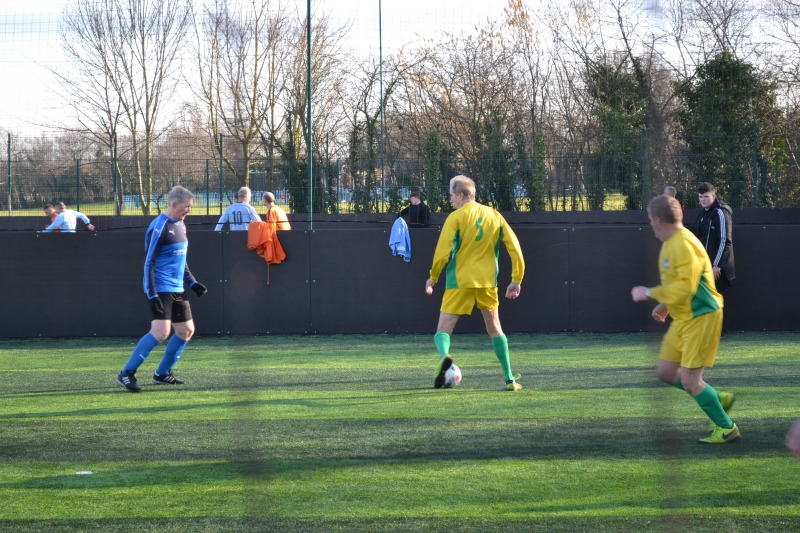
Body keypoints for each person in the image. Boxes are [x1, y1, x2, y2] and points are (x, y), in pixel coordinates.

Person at [631, 194, 738, 444]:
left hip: (702, 316)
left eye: (650, 220)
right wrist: (665, 305)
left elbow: (686, 288)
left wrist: (648, 293)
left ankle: (727, 428)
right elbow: (679, 283)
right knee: (666, 372)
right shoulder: (671, 242)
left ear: (658, 220)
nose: (650, 225)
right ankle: (715, 398)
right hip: (684, 317)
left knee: (691, 381)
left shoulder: (683, 244)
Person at [425, 175, 525, 391]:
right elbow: (514, 247)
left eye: (452, 195)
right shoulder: (494, 215)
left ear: (461, 195)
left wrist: (433, 278)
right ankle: (509, 379)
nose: (451, 200)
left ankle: (444, 357)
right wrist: (516, 279)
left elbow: (442, 252)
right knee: (495, 328)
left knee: (443, 329)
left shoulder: (456, 217)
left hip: (459, 282)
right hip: (487, 283)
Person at [116, 185, 207, 393]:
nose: (189, 211)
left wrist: (192, 282)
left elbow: (181, 259)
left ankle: (162, 374)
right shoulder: (160, 226)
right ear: (174, 204)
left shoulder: (181, 225)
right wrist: (152, 294)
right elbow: (149, 262)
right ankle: (126, 373)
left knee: (186, 331)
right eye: (187, 207)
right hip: (161, 288)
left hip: (178, 288)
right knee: (161, 332)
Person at [696, 182, 734, 292]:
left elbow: (725, 241)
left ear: (714, 196)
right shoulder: (702, 213)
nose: (703, 199)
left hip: (716, 269)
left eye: (706, 196)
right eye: (700, 197)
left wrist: (717, 265)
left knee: (713, 298)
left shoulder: (720, 212)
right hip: (703, 265)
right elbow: (699, 238)